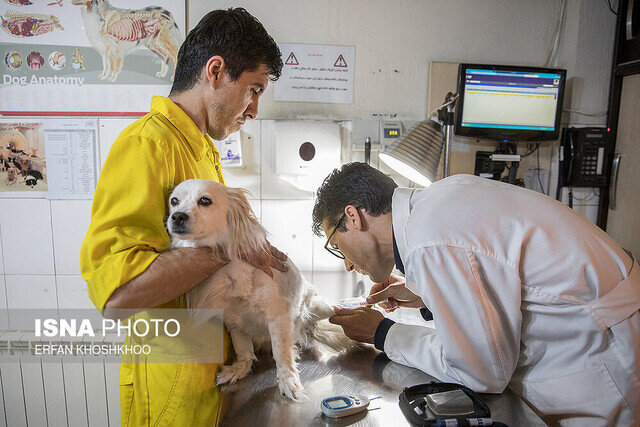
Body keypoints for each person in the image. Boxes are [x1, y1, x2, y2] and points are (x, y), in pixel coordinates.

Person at [313, 162, 639, 425]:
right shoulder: (438, 202)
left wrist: (382, 332)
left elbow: (482, 372)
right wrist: (426, 293)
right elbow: (497, 268)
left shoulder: (429, 242)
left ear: (353, 217)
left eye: (337, 247)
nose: (348, 265)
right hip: (603, 327)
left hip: (605, 354)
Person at [80, 8, 285, 426]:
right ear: (215, 71)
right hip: (171, 389)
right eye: (254, 89)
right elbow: (117, 296)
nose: (254, 110)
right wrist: (230, 250)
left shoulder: (202, 151)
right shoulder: (147, 146)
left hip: (210, 378)